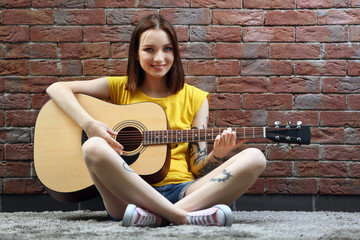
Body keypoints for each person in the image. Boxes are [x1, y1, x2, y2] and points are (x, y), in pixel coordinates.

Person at [46, 14, 267, 227]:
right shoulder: (118, 87)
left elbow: (197, 169)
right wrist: (89, 124)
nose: (159, 58)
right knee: (92, 146)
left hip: (185, 191)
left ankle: (157, 217)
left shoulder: (195, 98)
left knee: (255, 157)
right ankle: (181, 217)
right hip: (129, 196)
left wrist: (217, 155)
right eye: (149, 49)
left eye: (167, 49)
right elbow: (56, 88)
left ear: (175, 53)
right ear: (136, 53)